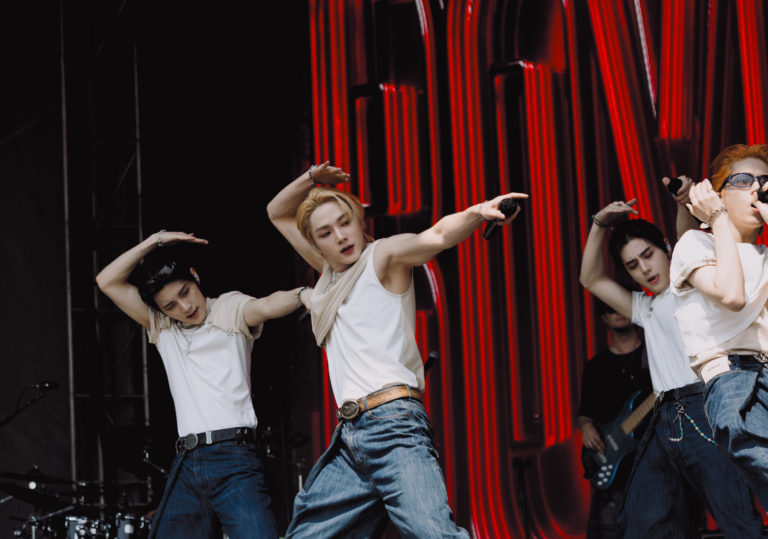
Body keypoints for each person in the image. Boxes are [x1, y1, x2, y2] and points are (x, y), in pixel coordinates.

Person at [267, 161, 526, 538]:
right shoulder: (329, 276)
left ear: (358, 220)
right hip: (349, 440)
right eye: (325, 233)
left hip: (393, 427)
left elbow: (436, 236)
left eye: (345, 222)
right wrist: (311, 178)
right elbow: (277, 211)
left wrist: (477, 212)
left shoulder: (383, 258)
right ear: (316, 243)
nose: (340, 236)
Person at [95, 231, 312, 539]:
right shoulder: (163, 327)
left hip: (235, 459)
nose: (184, 307)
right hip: (188, 460)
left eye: (185, 292)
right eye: (170, 305)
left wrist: (302, 295)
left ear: (195, 277)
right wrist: (155, 240)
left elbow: (265, 305)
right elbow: (106, 281)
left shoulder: (229, 308)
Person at [579, 192, 765, 538]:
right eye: (632, 265)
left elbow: (687, 238)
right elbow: (590, 279)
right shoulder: (645, 307)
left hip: (702, 408)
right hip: (661, 419)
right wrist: (599, 223)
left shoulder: (695, 286)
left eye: (648, 254)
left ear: (666, 247)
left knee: (738, 521)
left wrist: (683, 202)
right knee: (646, 524)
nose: (644, 269)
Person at [670, 143, 768, 509]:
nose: (757, 188)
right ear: (717, 193)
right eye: (743, 180)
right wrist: (719, 220)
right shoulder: (695, 244)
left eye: (764, 181)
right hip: (735, 377)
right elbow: (731, 294)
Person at [576, 301, 652, 539]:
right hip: (612, 471)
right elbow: (585, 414)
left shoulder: (654, 355)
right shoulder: (596, 367)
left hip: (652, 462)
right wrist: (586, 427)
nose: (617, 312)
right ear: (604, 319)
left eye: (621, 304)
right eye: (610, 309)